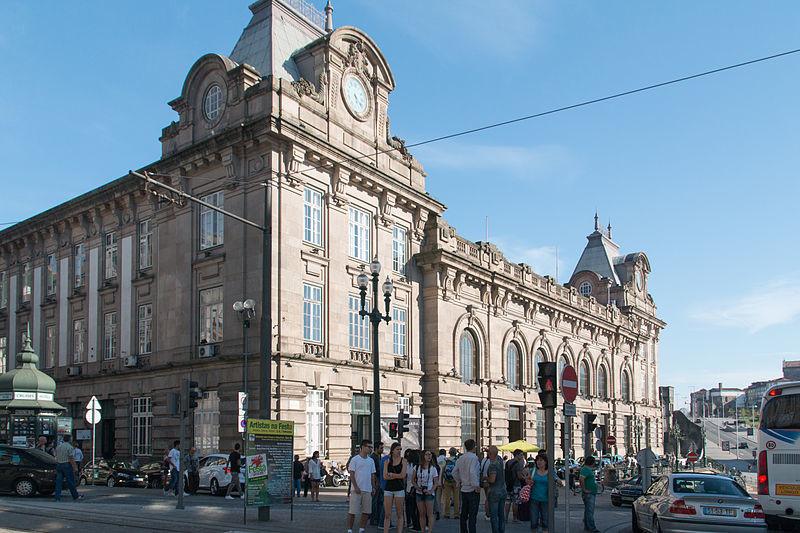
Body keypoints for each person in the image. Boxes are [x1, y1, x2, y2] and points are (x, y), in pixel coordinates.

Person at [347, 439, 377, 533]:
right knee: (352, 511)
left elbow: (372, 475)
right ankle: (350, 529)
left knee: (366, 511)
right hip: (356, 489)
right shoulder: (355, 459)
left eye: (371, 447)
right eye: (369, 447)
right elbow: (352, 474)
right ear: (363, 447)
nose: (370, 449)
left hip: (367, 489)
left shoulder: (371, 460)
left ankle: (362, 528)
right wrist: (355, 487)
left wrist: (373, 487)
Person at [452, 439, 481, 533]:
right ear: (474, 446)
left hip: (464, 488)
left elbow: (454, 472)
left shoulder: (461, 458)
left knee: (463, 514)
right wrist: (476, 485)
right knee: (472, 515)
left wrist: (458, 481)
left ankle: (463, 531)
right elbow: (472, 472)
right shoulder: (474, 458)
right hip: (472, 489)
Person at [529, 454, 560, 533]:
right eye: (538, 460)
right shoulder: (533, 471)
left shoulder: (550, 471)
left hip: (546, 499)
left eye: (541, 460)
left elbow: (558, 481)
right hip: (534, 499)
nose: (539, 462)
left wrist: (557, 481)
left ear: (546, 462)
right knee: (533, 521)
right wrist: (529, 482)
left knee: (545, 521)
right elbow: (528, 482)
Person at [383, 442, 407, 533]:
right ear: (392, 450)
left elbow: (403, 475)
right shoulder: (387, 461)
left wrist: (392, 475)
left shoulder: (403, 461)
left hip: (399, 489)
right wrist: (396, 475)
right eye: (397, 449)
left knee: (399, 514)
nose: (399, 451)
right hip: (388, 489)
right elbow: (385, 476)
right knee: (387, 514)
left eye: (400, 449)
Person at [414, 450, 438, 533]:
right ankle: (423, 530)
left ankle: (430, 531)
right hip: (419, 493)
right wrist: (417, 487)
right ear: (423, 456)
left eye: (430, 454)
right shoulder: (417, 467)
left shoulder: (433, 468)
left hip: (429, 493)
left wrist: (431, 491)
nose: (429, 456)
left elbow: (436, 482)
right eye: (427, 454)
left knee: (430, 514)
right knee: (421, 514)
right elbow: (413, 480)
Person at [53, 435, 83, 501]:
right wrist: (75, 468)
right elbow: (71, 458)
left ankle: (57, 497)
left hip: (59, 465)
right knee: (70, 481)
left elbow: (55, 456)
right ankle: (75, 496)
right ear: (70, 439)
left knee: (58, 482)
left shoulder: (58, 447)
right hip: (67, 465)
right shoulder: (70, 447)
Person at [484, 445, 506, 533]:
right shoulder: (500, 460)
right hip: (503, 490)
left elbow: (492, 480)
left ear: (490, 454)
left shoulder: (493, 465)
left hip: (494, 492)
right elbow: (494, 452)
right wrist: (490, 450)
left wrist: (486, 478)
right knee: (501, 515)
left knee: (494, 516)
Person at [579, 456, 600, 533]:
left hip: (591, 493)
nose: (595, 463)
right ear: (591, 462)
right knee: (590, 511)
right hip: (589, 494)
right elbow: (581, 479)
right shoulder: (585, 469)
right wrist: (584, 489)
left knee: (588, 511)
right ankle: (592, 528)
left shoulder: (587, 469)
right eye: (594, 461)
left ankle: (587, 527)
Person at [504, 449, 525, 523]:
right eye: (521, 455)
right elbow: (519, 476)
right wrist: (525, 477)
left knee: (508, 501)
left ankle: (505, 518)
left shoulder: (508, 462)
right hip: (516, 485)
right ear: (517, 455)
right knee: (515, 502)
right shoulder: (518, 464)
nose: (522, 456)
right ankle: (514, 518)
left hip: (508, 484)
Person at [405, 449, 421, 531]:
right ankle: (420, 524)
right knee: (418, 508)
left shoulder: (409, 465)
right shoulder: (419, 466)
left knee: (411, 508)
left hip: (410, 488)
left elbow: (406, 476)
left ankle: (415, 525)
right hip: (418, 488)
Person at [441, 447, 460, 519]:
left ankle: (447, 513)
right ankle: (456, 514)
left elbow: (442, 471)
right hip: (455, 481)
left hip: (447, 481)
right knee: (456, 498)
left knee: (447, 498)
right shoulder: (457, 460)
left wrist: (441, 481)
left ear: (449, 453)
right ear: (455, 453)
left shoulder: (445, 460)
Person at [370, 441, 385, 526]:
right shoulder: (373, 457)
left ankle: (377, 518)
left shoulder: (378, 456)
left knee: (379, 501)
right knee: (375, 501)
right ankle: (374, 519)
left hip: (379, 480)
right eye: (381, 448)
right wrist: (375, 484)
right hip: (376, 481)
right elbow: (374, 472)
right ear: (376, 448)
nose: (382, 449)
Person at [435, 449, 447, 520]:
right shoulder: (446, 459)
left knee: (437, 498)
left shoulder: (436, 459)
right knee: (446, 497)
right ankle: (445, 512)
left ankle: (438, 511)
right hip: (445, 481)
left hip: (437, 481)